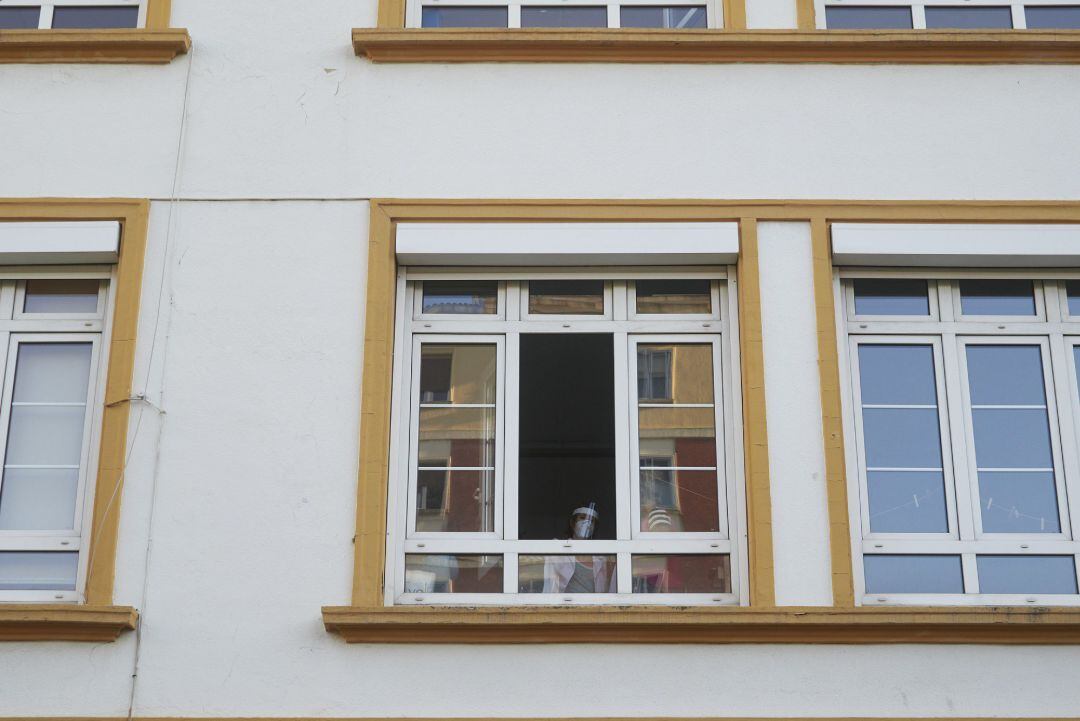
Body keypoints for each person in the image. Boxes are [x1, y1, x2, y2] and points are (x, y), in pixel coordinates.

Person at [542, 504, 617, 594]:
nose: (587, 522)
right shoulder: (558, 550)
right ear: (572, 523)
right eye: (582, 518)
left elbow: (608, 589)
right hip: (567, 602)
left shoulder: (602, 558)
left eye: (592, 520)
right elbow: (550, 585)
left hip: (593, 603)